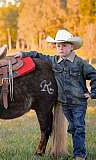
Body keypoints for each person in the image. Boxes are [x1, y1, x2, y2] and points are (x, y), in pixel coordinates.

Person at [15, 29, 96, 160]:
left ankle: (80, 154)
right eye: (58, 45)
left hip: (78, 103)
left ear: (71, 46)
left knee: (79, 128)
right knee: (73, 128)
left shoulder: (80, 63)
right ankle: (76, 149)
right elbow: (38, 55)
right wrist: (23, 53)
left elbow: (94, 74)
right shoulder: (53, 60)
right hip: (64, 103)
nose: (61, 48)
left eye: (64, 45)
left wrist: (93, 93)